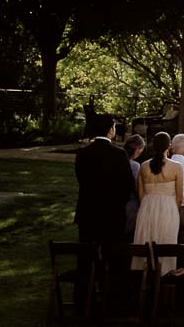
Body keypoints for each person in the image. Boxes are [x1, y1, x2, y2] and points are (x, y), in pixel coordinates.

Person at [74, 115, 133, 308]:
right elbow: (127, 186)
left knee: (85, 256)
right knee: (114, 256)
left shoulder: (83, 153)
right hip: (112, 214)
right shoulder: (119, 154)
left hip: (88, 212)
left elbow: (81, 180)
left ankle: (82, 297)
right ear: (110, 130)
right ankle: (114, 299)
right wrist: (117, 204)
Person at [132, 133, 183, 272]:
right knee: (165, 242)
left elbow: (141, 195)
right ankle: (164, 274)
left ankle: (142, 276)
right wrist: (172, 209)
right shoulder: (176, 167)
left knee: (146, 241)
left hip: (147, 207)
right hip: (169, 209)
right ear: (169, 146)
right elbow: (179, 197)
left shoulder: (143, 166)